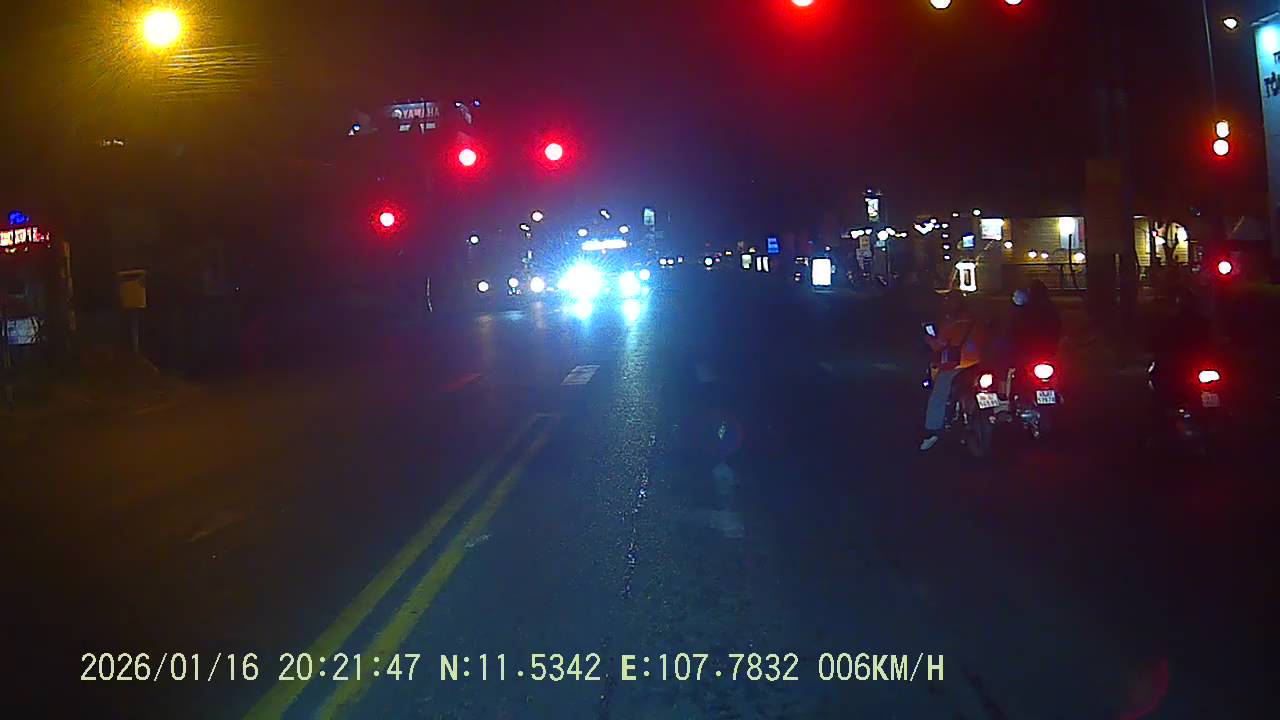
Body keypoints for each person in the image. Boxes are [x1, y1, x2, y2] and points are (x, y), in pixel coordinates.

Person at [920, 292, 987, 451]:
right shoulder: (978, 322)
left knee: (938, 397)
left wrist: (928, 338)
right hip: (978, 365)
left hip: (956, 367)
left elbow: (938, 346)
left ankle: (932, 430)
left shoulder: (950, 323)